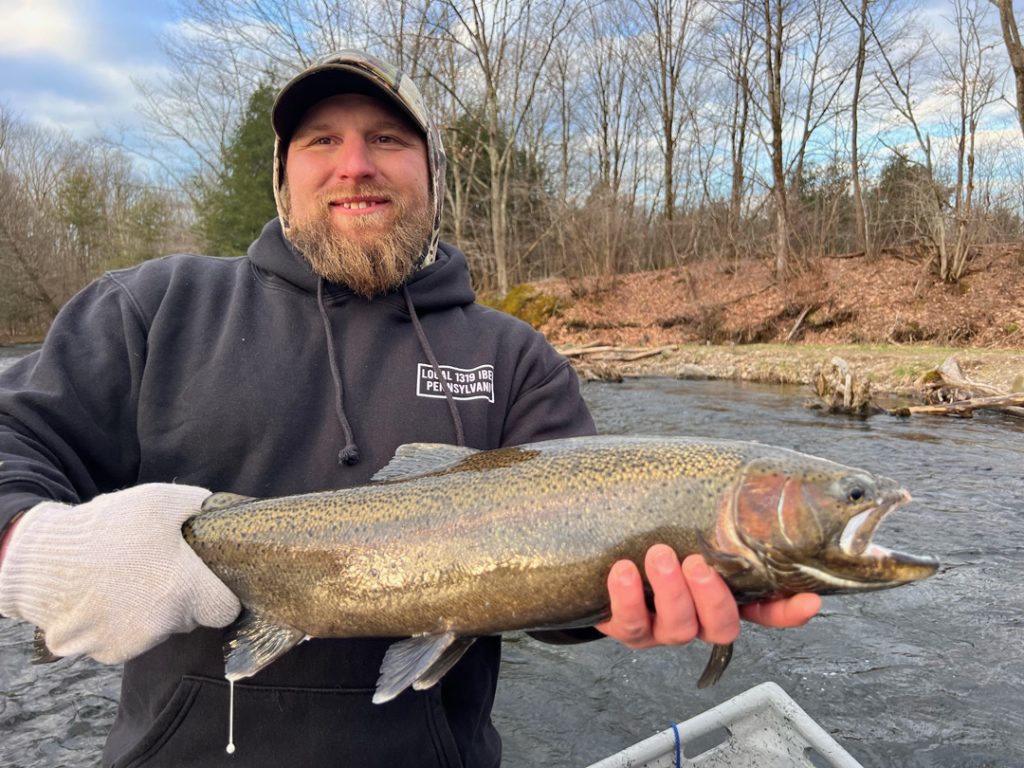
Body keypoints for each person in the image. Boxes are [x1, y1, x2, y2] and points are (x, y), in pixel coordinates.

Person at [0, 50, 820, 767]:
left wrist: (616, 608)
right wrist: (34, 546)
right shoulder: (155, 309)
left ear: (432, 171)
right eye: (322, 141)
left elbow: (575, 586)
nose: (356, 165)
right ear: (283, 177)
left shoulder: (515, 357)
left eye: (388, 139)